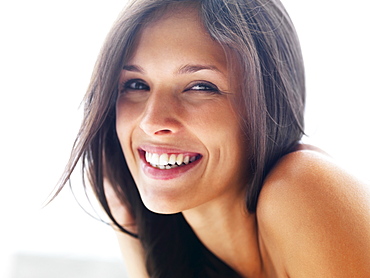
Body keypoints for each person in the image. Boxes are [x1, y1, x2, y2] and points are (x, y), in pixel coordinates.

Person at [55, 0, 370, 277]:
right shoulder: (146, 222)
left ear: (268, 101)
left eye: (200, 86)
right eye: (137, 84)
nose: (152, 122)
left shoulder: (302, 189)